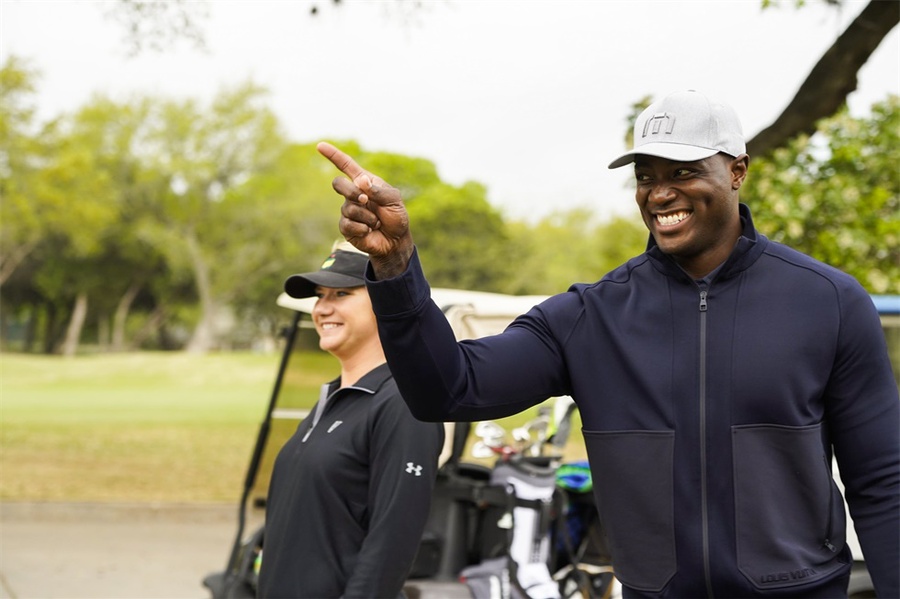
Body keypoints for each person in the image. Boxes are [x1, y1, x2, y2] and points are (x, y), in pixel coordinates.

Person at [315, 90, 899, 598]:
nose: (660, 193)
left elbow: (883, 481)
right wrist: (395, 268)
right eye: (646, 176)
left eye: (682, 171)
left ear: (737, 170)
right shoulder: (591, 315)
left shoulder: (829, 302)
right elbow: (449, 387)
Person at [256, 242, 445, 598]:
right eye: (319, 295)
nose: (323, 308)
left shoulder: (404, 402)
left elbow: (392, 543)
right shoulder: (331, 400)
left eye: (341, 293)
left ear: (385, 303)